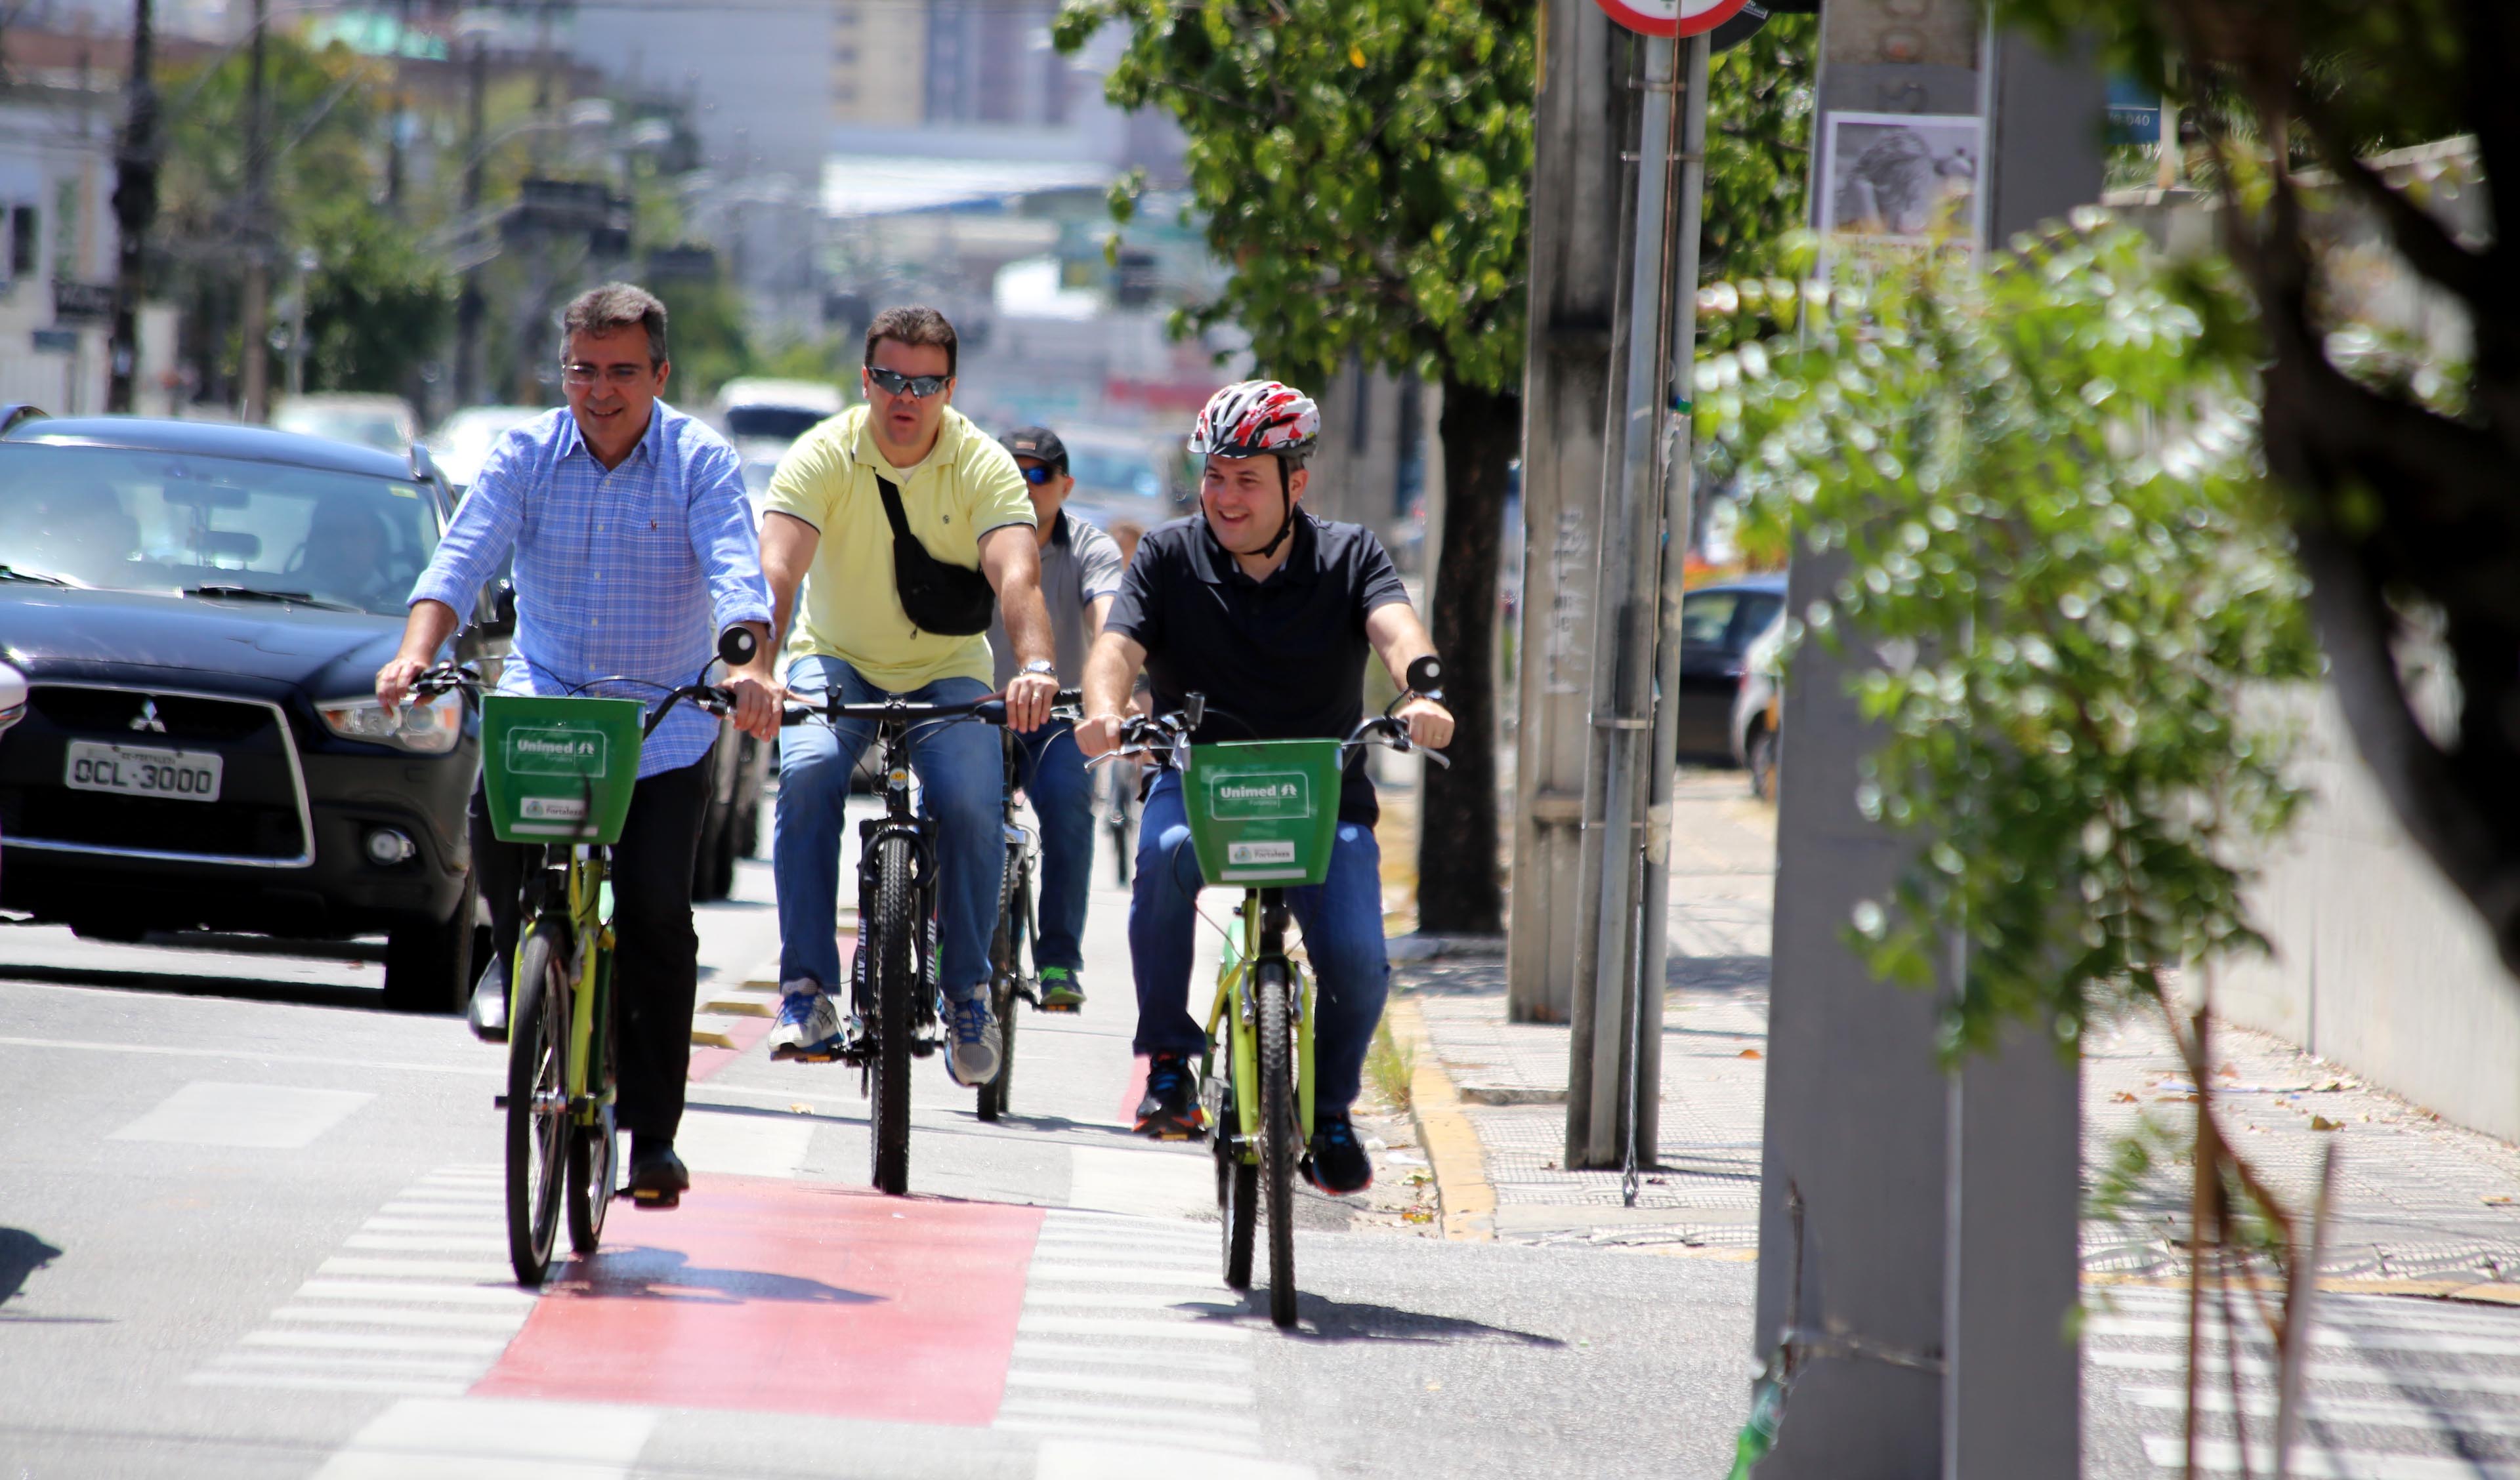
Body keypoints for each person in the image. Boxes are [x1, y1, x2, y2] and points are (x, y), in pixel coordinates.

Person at [376, 283, 780, 1209]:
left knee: (656, 919)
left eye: (623, 372)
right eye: (583, 371)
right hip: (549, 701)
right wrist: (413, 654)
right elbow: (460, 560)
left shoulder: (700, 460)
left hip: (661, 725)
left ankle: (654, 1137)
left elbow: (736, 573)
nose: (601, 391)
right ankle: (514, 954)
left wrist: (751, 668)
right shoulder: (524, 453)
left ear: (661, 376)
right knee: (493, 818)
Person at [1076, 380, 1452, 1196]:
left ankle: (1332, 1111)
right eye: (1214, 476)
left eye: (1248, 479)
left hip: (1322, 800)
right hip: (1197, 784)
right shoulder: (1168, 554)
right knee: (1163, 861)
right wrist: (1104, 710)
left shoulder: (1350, 555)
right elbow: (1118, 647)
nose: (1225, 497)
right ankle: (1169, 1064)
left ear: (1296, 482)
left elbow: (1397, 629)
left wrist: (1422, 692)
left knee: (1359, 959)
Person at [757, 306, 1060, 1086]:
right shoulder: (823, 453)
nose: (907, 397)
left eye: (927, 384)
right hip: (835, 659)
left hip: (947, 668)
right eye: (891, 378)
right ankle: (806, 992)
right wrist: (757, 667)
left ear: (950, 390)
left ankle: (967, 995)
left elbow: (1017, 573)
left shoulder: (983, 463)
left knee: (970, 801)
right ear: (866, 379)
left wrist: (1034, 664)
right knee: (808, 773)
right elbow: (778, 568)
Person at [985, 426, 1126, 1012]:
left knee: (1070, 806)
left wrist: (1118, 685)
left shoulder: (1091, 547)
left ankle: (1059, 960)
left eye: (1038, 474)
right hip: (975, 713)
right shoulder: (969, 537)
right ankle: (947, 945)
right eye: (1011, 473)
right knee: (949, 811)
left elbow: (1110, 617)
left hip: (1058, 716)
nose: (1024, 485)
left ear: (1065, 486)